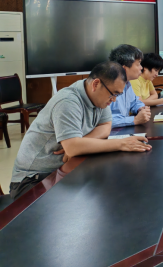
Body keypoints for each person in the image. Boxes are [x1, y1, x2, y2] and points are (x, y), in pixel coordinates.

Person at [9, 61, 152, 200]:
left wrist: (79, 143)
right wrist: (121, 143)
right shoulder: (68, 101)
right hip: (32, 180)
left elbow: (106, 126)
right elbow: (72, 148)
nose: (113, 100)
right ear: (96, 84)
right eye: (113, 94)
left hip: (62, 170)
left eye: (117, 95)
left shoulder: (99, 98)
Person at [109, 44, 151, 127]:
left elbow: (135, 102)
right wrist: (134, 120)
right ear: (124, 69)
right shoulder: (107, 87)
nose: (141, 68)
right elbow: (103, 121)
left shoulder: (127, 83)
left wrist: (140, 108)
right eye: (138, 64)